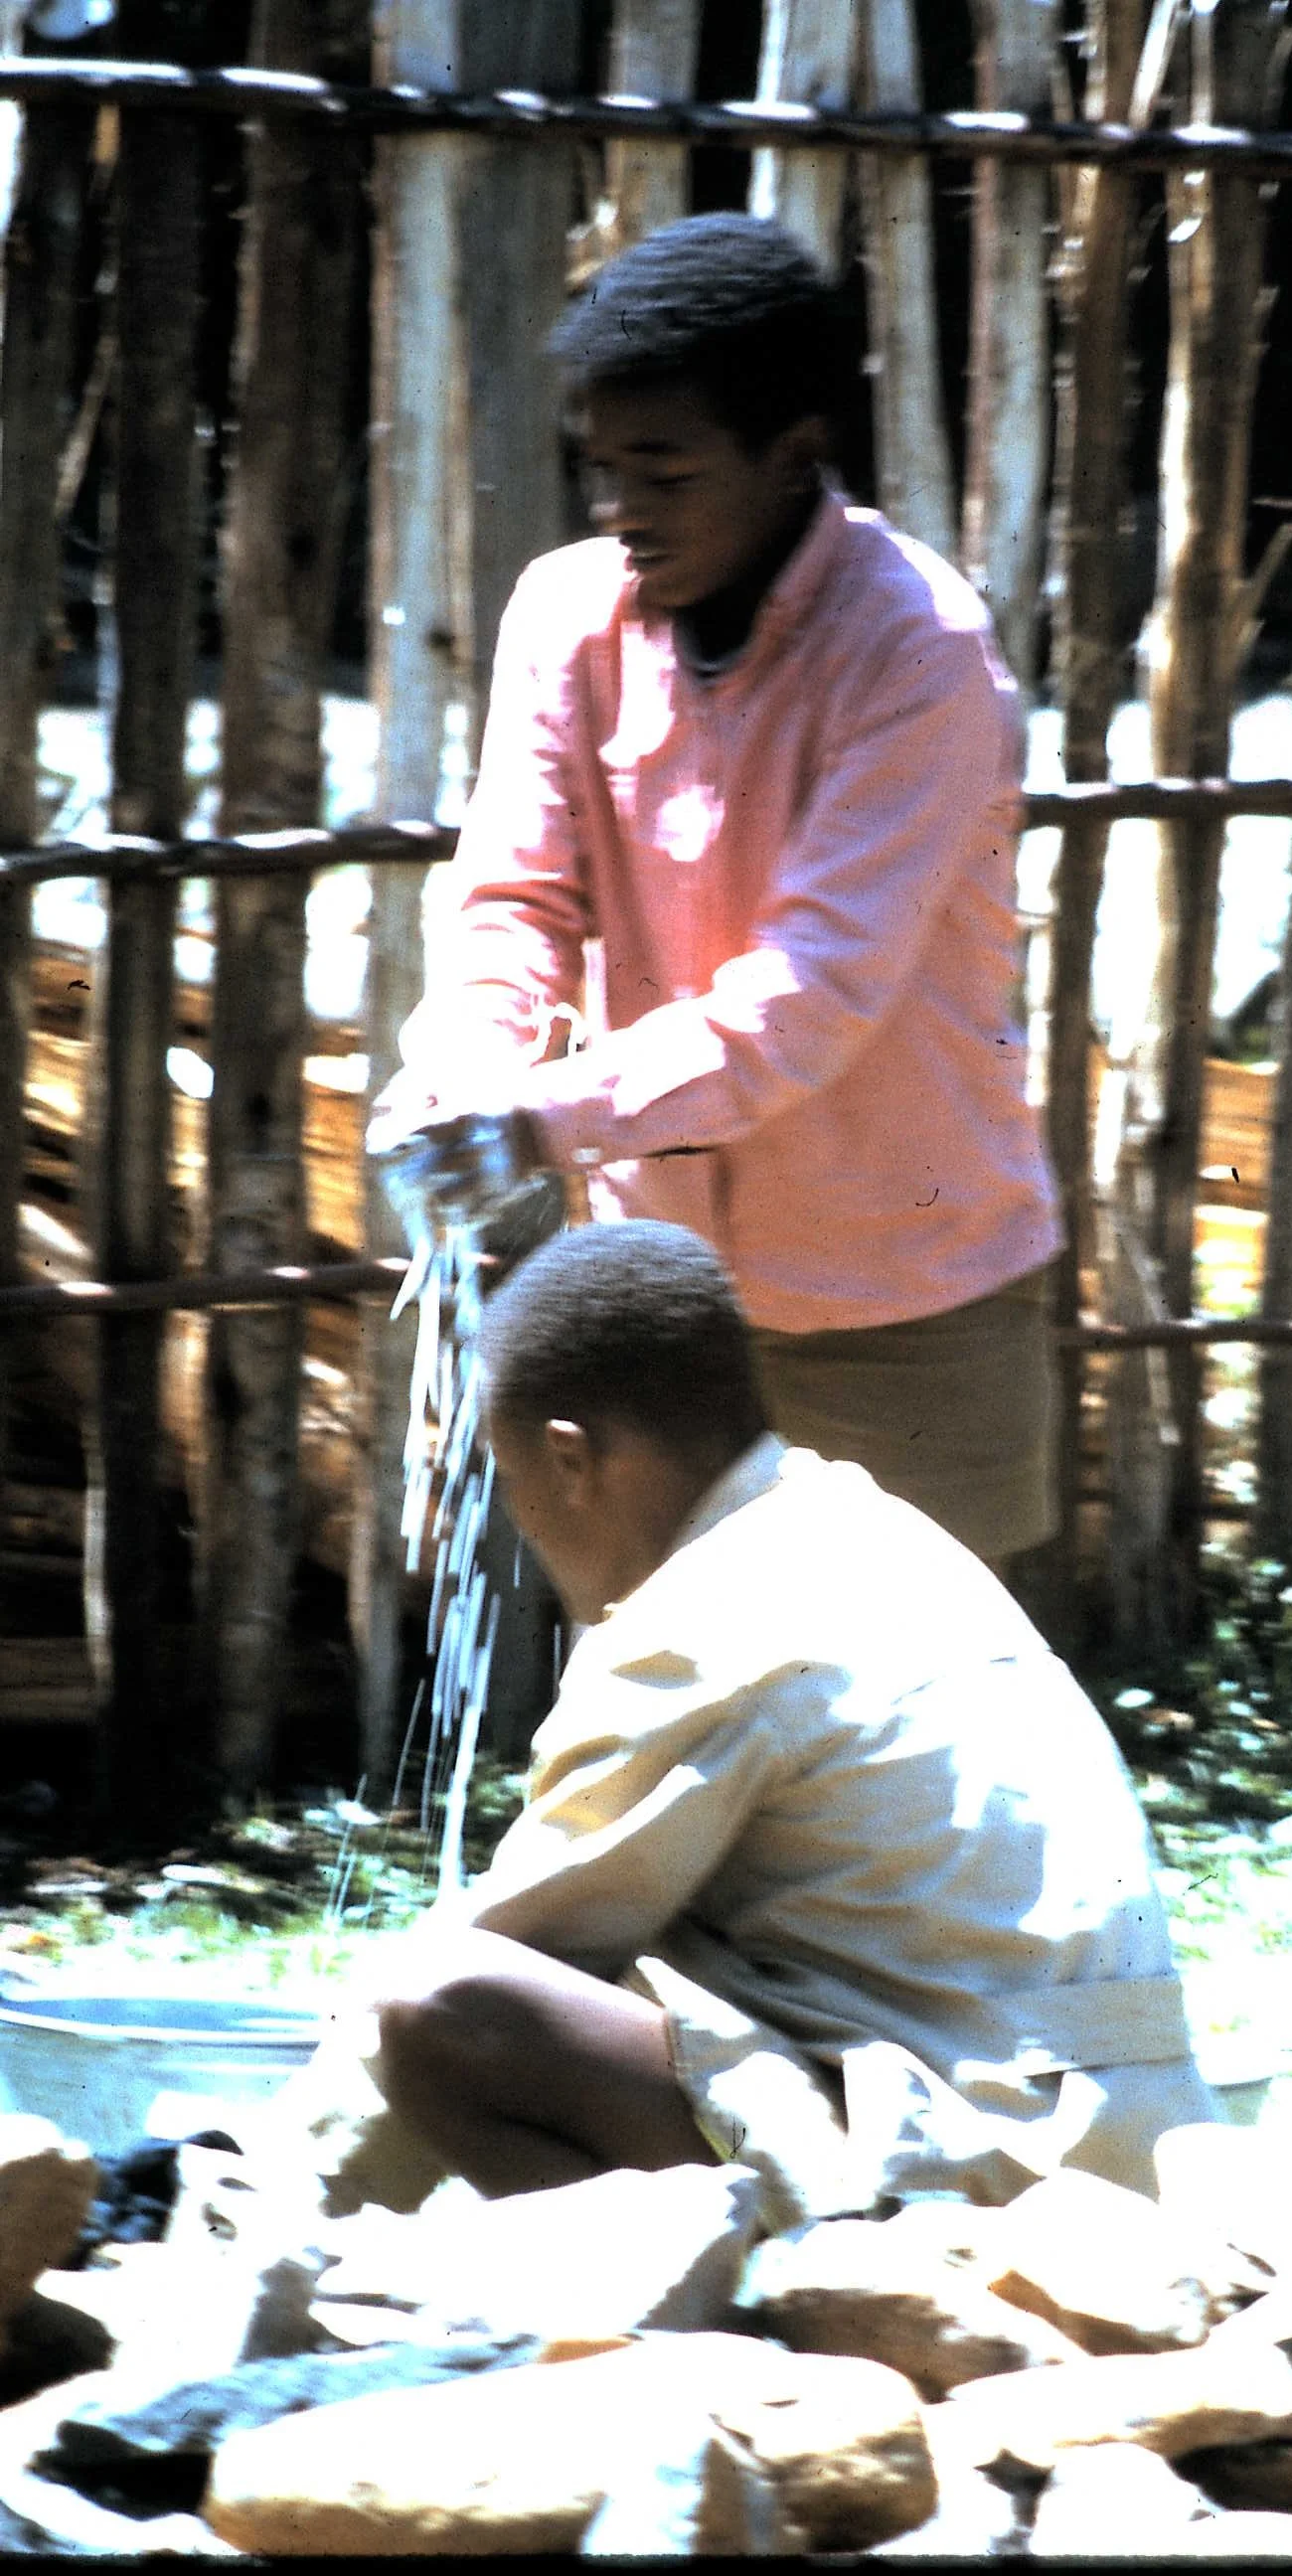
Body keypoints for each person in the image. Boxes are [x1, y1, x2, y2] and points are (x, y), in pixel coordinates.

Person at [368, 212, 1064, 1570]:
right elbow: (512, 898)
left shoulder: (921, 653)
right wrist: (462, 1075)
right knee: (670, 1696)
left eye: (666, 471)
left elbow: (806, 1003)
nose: (622, 511)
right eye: (602, 470)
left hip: (905, 1290)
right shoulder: (567, 617)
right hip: (665, 1294)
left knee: (939, 1731)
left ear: (795, 457)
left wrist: (534, 1123)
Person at [349, 1221, 1216, 2231]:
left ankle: (752, 2308)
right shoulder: (879, 1533)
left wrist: (264, 2206)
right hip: (1131, 2139)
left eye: (521, 1500)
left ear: (570, 1460)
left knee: (443, 2007)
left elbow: (511, 1948)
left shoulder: (696, 1628)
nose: (533, 1541)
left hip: (983, 2157)